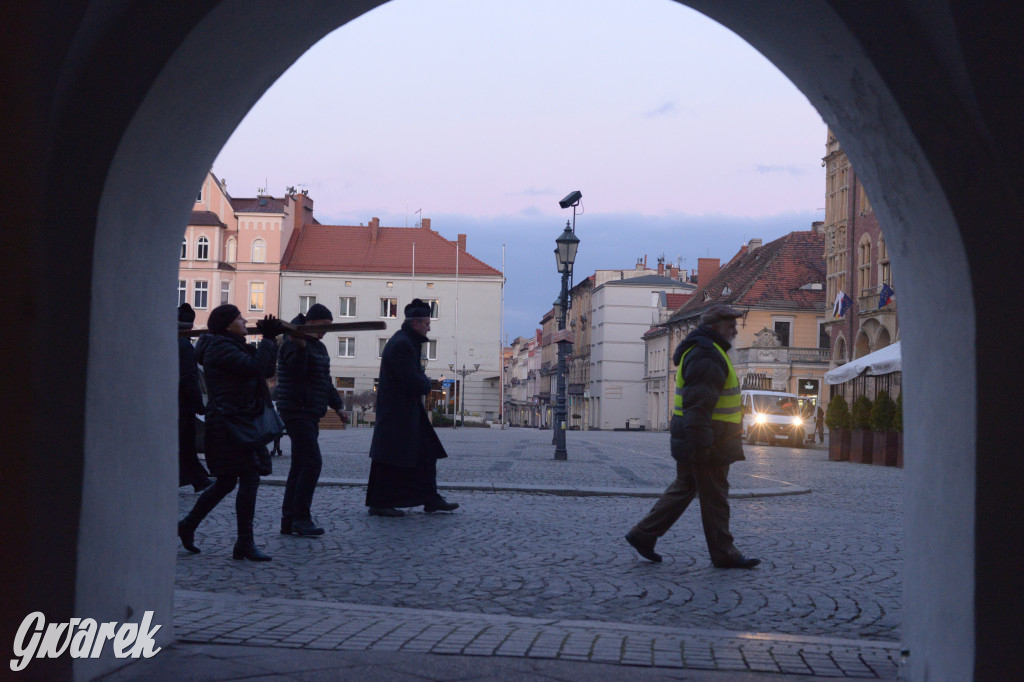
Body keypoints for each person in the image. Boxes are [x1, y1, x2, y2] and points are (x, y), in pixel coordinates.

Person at [625, 304, 761, 569]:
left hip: (700, 439)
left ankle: (643, 534)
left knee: (684, 488)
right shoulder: (707, 355)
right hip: (709, 441)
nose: (735, 330)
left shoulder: (705, 351)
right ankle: (724, 553)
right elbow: (698, 406)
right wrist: (702, 446)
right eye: (730, 325)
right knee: (715, 498)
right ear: (714, 328)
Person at [177, 305, 282, 561]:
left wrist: (272, 341)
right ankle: (244, 543)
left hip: (237, 420)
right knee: (247, 478)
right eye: (239, 318)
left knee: (227, 481)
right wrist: (268, 339)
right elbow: (255, 368)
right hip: (229, 423)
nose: (245, 321)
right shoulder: (220, 348)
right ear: (227, 324)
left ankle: (188, 525)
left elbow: (266, 370)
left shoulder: (231, 344)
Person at [366, 298, 458, 517]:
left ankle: (429, 498)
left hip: (404, 411)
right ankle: (380, 503)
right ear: (416, 323)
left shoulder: (406, 341)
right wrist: (427, 384)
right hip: (398, 414)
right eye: (427, 323)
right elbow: (413, 380)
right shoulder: (403, 344)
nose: (429, 327)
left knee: (425, 454)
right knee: (390, 460)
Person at [276, 304, 348, 536]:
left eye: (330, 326)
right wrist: (300, 348)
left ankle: (290, 520)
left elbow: (324, 380)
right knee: (311, 463)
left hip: (310, 412)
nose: (327, 330)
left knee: (299, 466)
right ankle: (301, 518)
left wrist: (337, 406)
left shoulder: (319, 347)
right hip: (296, 410)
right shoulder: (291, 342)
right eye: (324, 325)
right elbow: (297, 373)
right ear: (310, 322)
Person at [177, 303, 212, 493]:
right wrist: (199, 405)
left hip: (172, 404)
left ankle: (198, 479)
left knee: (183, 445)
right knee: (186, 444)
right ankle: (199, 480)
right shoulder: (185, 347)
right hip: (183, 404)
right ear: (191, 326)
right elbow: (189, 379)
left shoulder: (169, 341)